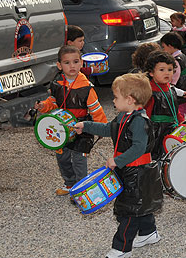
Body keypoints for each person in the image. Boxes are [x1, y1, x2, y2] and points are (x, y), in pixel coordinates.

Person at [74, 73, 163, 258]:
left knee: (128, 210)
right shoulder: (123, 116)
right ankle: (148, 233)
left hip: (137, 172)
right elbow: (108, 129)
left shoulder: (139, 121)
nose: (113, 100)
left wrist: (118, 160)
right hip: (128, 170)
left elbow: (139, 148)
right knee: (139, 204)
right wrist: (86, 125)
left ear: (129, 100)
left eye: (115, 97)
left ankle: (122, 248)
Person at [35, 45, 107, 195]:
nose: (72, 66)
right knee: (62, 157)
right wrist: (43, 106)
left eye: (75, 61)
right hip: (61, 128)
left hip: (81, 129)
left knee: (79, 159)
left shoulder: (87, 87)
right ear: (59, 66)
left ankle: (81, 190)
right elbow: (53, 102)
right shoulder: (56, 84)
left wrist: (101, 127)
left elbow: (96, 109)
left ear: (81, 63)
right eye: (67, 63)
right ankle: (69, 184)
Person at [143, 51, 186, 160]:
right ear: (151, 73)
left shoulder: (170, 88)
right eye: (161, 70)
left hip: (171, 128)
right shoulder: (150, 92)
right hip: (156, 131)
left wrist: (181, 121)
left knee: (171, 156)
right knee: (156, 156)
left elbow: (174, 109)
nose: (167, 73)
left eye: (170, 70)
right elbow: (145, 114)